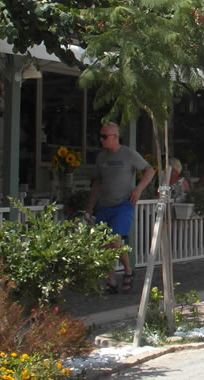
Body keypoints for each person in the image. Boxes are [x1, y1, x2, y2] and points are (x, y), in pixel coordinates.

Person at [86, 122, 155, 294]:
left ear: (115, 137)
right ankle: (112, 282)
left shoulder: (128, 154)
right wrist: (89, 208)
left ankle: (128, 270)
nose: (101, 140)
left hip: (123, 204)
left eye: (104, 137)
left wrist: (138, 189)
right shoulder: (101, 158)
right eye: (100, 136)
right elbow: (97, 183)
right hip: (104, 205)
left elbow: (149, 170)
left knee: (114, 240)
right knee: (104, 245)